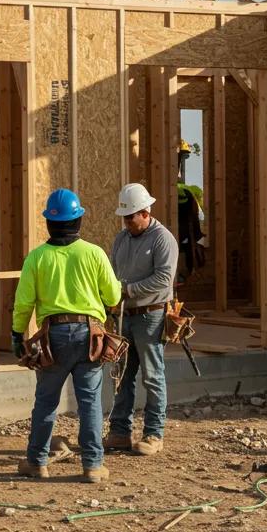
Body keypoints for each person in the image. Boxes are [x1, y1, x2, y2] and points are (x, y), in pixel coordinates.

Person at [12, 189, 121, 484]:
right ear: (79, 221)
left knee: (46, 401)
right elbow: (113, 295)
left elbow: (23, 303)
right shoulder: (94, 253)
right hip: (90, 335)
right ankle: (93, 466)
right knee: (89, 402)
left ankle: (37, 463)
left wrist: (16, 335)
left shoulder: (36, 258)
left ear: (49, 222)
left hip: (53, 337)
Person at [107, 184, 178, 456]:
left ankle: (153, 433)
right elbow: (114, 272)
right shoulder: (122, 239)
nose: (127, 223)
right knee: (122, 376)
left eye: (131, 217)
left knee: (152, 375)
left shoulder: (163, 239)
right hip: (125, 315)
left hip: (150, 315)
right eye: (125, 218)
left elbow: (163, 278)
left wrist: (127, 290)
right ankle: (120, 432)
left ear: (145, 213)